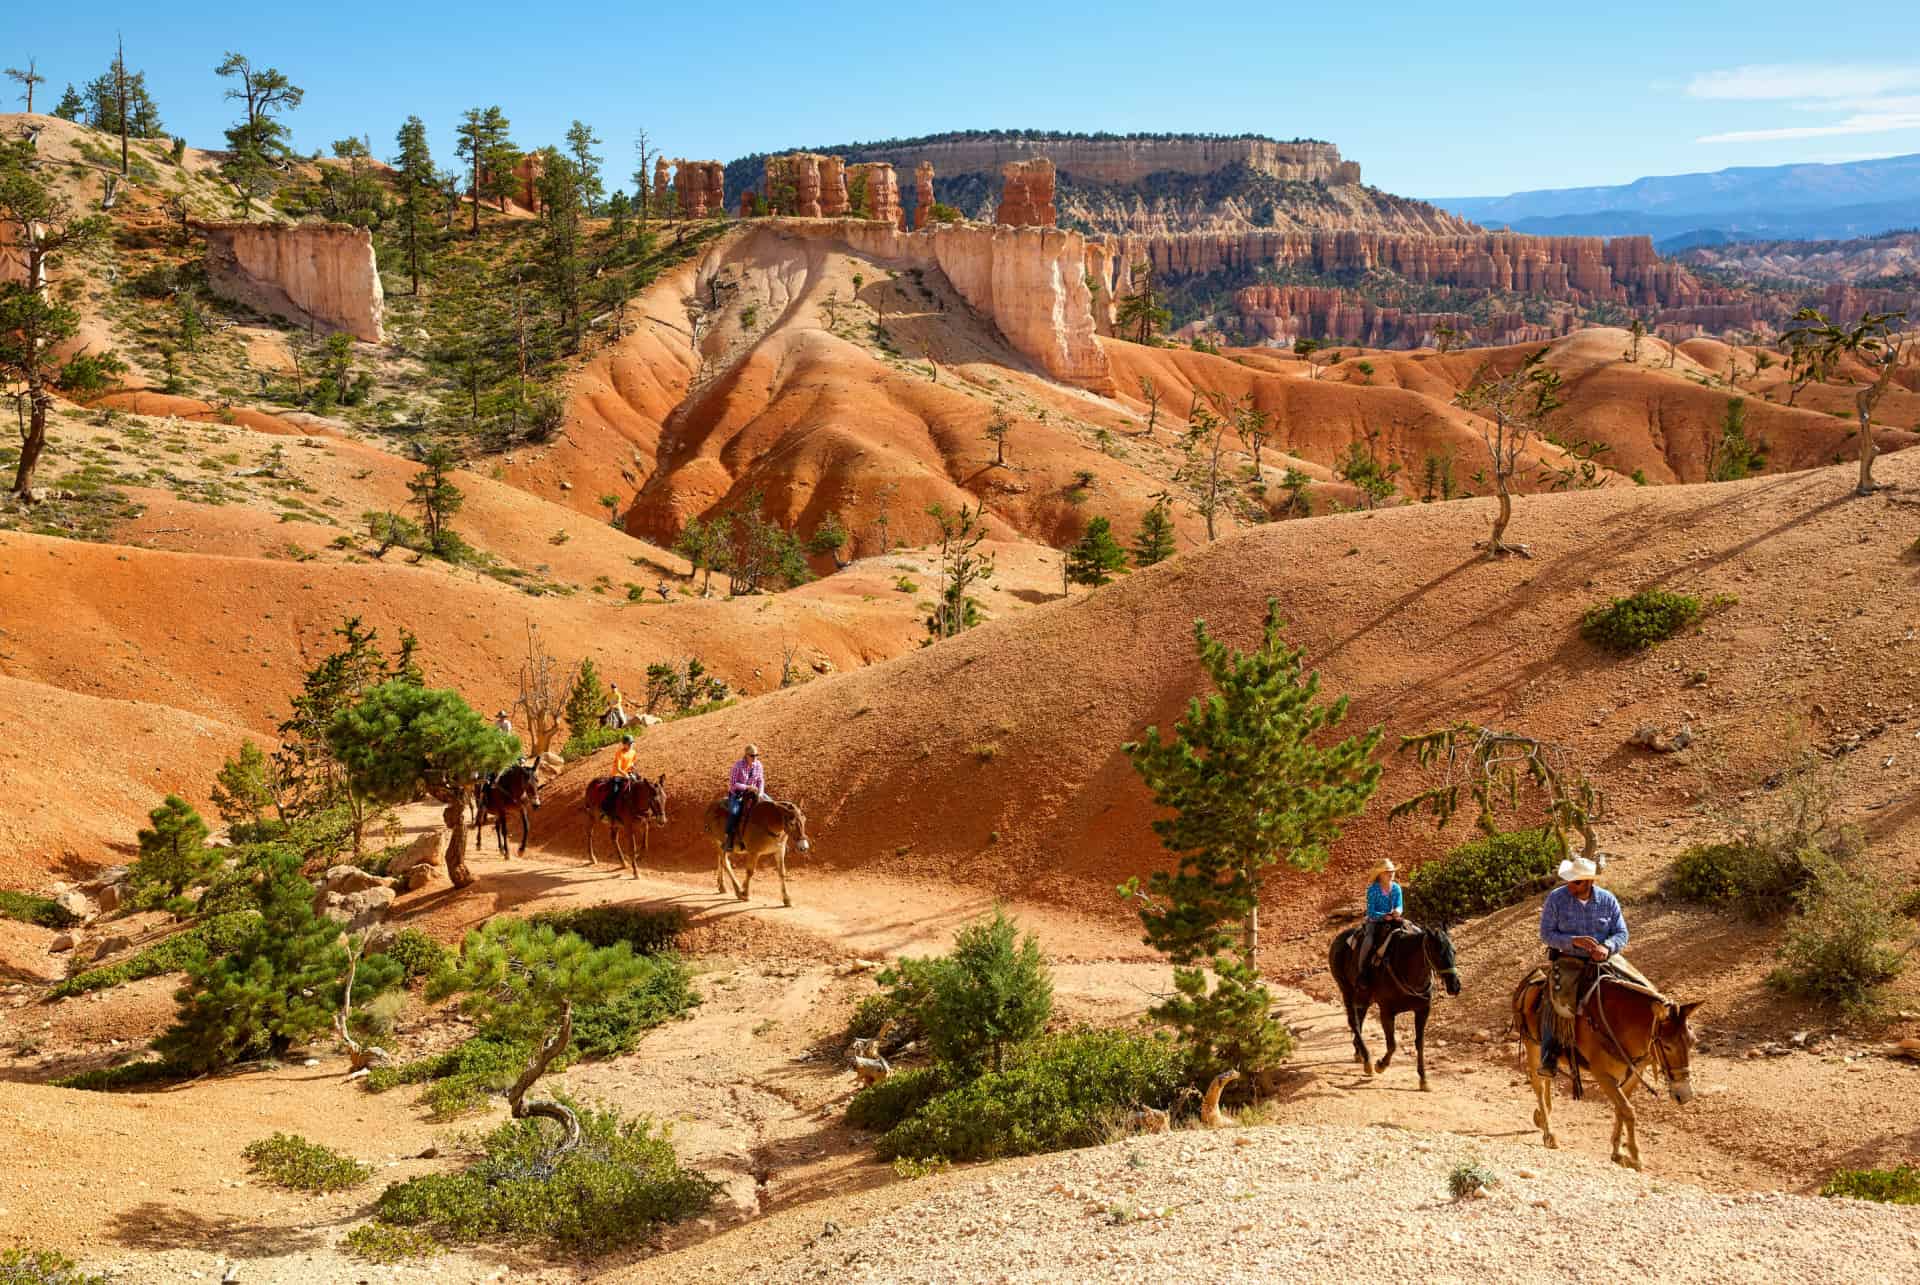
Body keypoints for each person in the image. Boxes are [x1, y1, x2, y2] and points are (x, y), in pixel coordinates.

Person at [1537, 855, 1628, 1074]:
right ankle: (1549, 1055)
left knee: (1635, 987)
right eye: (1569, 880)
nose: (1570, 884)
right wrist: (1573, 941)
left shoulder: (1608, 900)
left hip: (1605, 959)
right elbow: (1546, 934)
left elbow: (1622, 932)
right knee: (1556, 999)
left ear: (1589, 882)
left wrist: (1606, 947)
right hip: (1569, 959)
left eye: (1576, 881)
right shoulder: (1556, 899)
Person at [1355, 859, 1403, 985]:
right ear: (1380, 874)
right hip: (1375, 921)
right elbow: (1371, 911)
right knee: (1368, 940)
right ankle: (1362, 971)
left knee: (1413, 931)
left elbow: (1400, 905)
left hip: (1394, 919)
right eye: (1387, 871)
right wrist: (1383, 917)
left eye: (1392, 871)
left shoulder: (1397, 888)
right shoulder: (1373, 889)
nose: (1391, 873)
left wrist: (1398, 911)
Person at [724, 744, 766, 853]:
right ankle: (729, 837)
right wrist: (747, 787)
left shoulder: (758, 765)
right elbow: (733, 784)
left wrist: (761, 793)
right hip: (738, 794)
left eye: (757, 755)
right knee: (734, 812)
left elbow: (761, 780)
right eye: (752, 755)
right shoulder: (737, 766)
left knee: (770, 804)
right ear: (746, 755)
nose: (755, 758)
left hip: (754, 793)